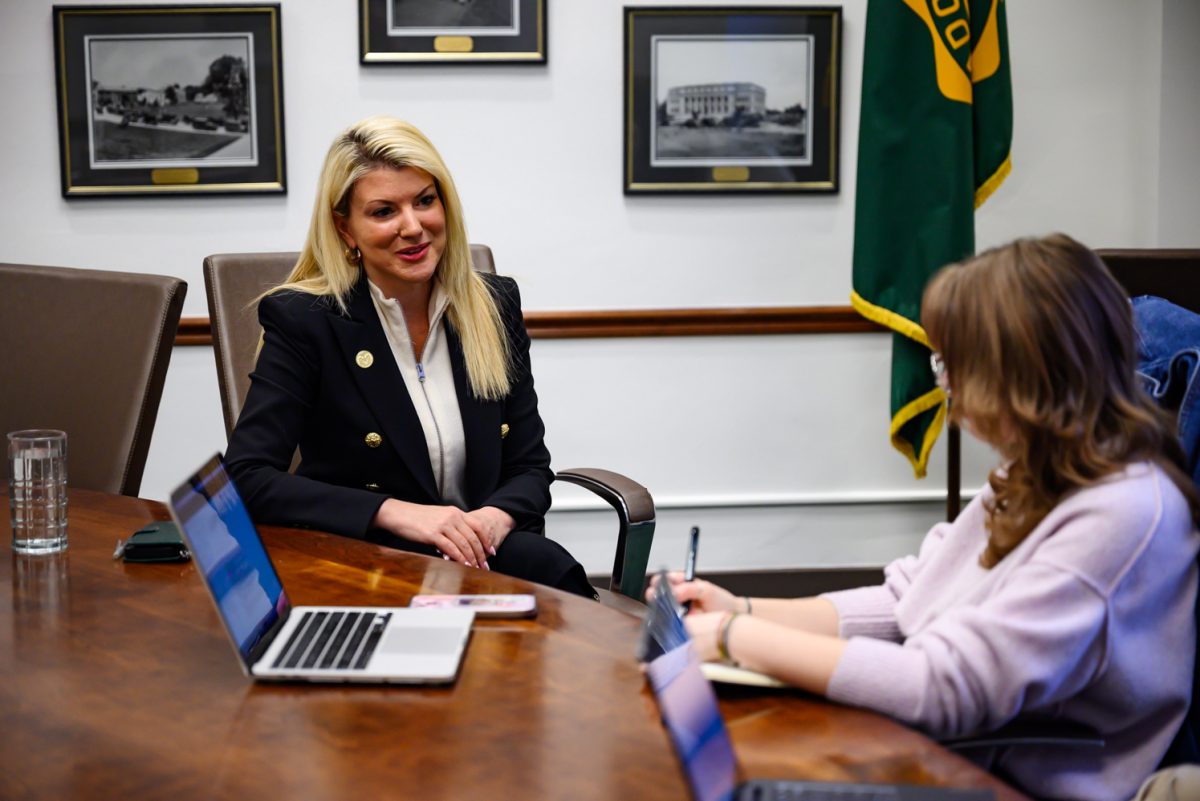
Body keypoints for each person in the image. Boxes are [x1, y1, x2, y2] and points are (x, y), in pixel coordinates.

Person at [652, 234, 1200, 801]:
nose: (945, 385)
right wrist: (740, 608)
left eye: (954, 362)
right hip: (947, 759)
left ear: (1020, 372)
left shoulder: (1124, 511)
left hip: (1005, 783)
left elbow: (943, 687)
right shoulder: (1038, 473)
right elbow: (907, 599)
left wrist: (737, 636)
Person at [225, 115, 595, 598]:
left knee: (551, 574)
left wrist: (491, 519)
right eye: (383, 211)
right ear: (346, 229)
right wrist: (402, 514)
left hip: (482, 558)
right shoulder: (306, 319)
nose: (414, 227)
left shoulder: (494, 305)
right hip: (369, 561)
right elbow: (247, 478)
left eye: (425, 201)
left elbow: (529, 465)